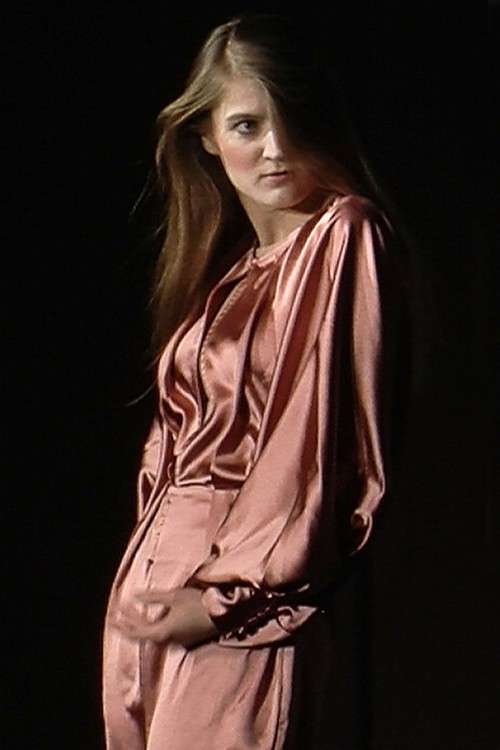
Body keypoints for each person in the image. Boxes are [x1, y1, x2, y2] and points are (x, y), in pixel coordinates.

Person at [103, 14, 405, 749]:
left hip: (237, 603)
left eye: (290, 120)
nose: (274, 148)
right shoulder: (227, 275)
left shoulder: (343, 235)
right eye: (246, 125)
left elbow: (317, 446)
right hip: (152, 596)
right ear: (207, 137)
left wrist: (225, 599)